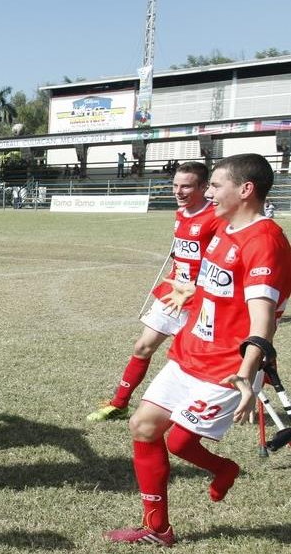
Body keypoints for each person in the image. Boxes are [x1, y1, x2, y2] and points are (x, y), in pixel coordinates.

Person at [105, 153, 291, 546]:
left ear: (245, 190)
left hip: (226, 366)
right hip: (190, 352)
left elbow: (264, 318)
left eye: (216, 185)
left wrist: (247, 371)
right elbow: (223, 284)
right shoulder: (224, 228)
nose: (209, 192)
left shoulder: (265, 241)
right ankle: (157, 530)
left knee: (179, 443)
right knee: (143, 427)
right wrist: (193, 289)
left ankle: (225, 469)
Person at [87, 162, 221, 421]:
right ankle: (120, 403)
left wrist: (199, 286)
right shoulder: (181, 213)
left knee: (198, 362)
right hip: (172, 294)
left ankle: (202, 409)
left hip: (200, 301)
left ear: (204, 187)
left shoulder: (216, 217)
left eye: (186, 186)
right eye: (175, 185)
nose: (178, 191)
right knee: (142, 347)